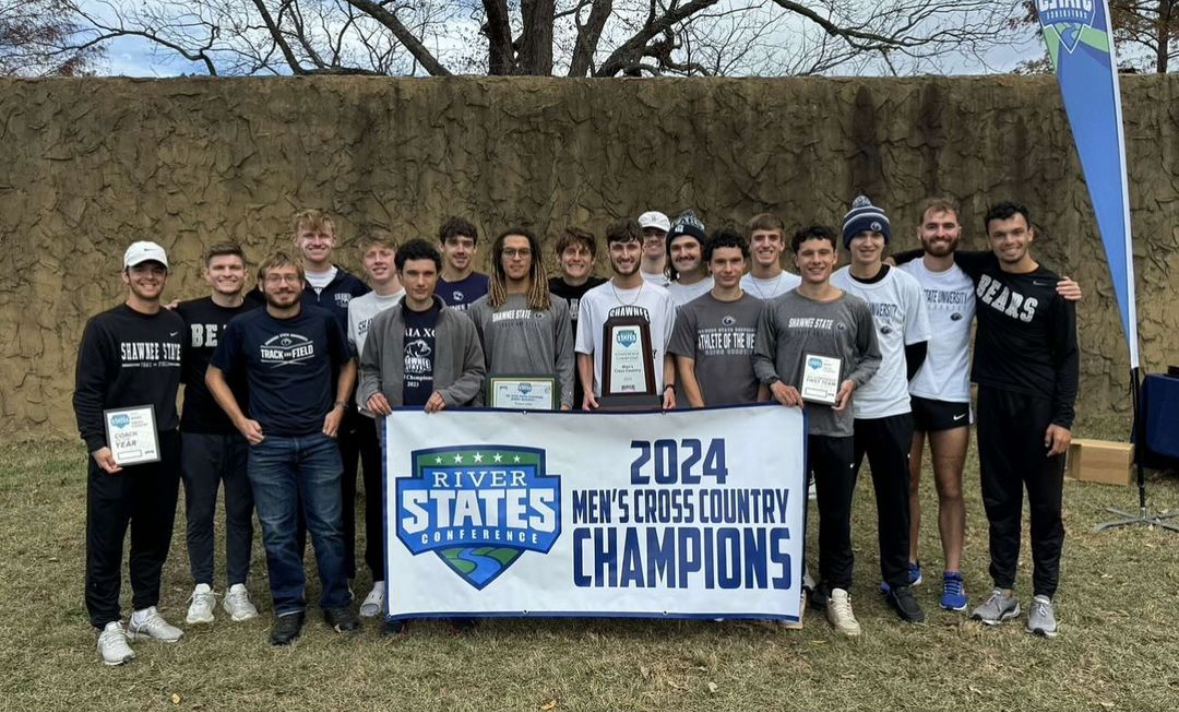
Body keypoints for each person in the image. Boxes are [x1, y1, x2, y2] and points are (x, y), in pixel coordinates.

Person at [899, 202, 1078, 637]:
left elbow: (1068, 357)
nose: (1009, 241)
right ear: (989, 239)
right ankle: (1004, 591)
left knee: (1045, 506)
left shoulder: (1055, 290)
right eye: (1000, 235)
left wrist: (1062, 418)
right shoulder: (982, 267)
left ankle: (1043, 596)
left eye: (1016, 233)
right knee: (999, 501)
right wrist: (889, 257)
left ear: (1030, 233)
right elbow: (930, 250)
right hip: (994, 401)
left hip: (1038, 409)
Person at [206, 252, 359, 646]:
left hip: (320, 441)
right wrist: (240, 420)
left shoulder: (323, 321)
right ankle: (289, 606)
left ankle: (336, 601)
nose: (284, 285)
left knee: (328, 528)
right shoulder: (244, 326)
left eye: (290, 278)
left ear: (302, 285)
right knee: (277, 531)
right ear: (261, 286)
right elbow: (213, 374)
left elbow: (348, 363)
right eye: (274, 279)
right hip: (268, 444)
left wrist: (340, 407)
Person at [753, 225, 881, 636]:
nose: (816, 260)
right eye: (807, 253)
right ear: (796, 259)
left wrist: (851, 383)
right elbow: (761, 358)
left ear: (834, 258)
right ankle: (795, 585)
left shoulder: (855, 308)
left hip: (837, 428)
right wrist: (776, 384)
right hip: (789, 428)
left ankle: (838, 590)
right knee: (790, 513)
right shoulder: (777, 308)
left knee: (836, 513)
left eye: (823, 253)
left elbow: (870, 358)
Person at [356, 237, 487, 635]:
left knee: (449, 519)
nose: (420, 281)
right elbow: (368, 370)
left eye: (428, 273)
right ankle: (402, 604)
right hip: (398, 438)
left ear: (438, 276)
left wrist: (448, 395)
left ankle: (457, 602)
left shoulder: (460, 324)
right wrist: (372, 393)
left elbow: (476, 374)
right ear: (400, 275)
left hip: (445, 436)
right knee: (401, 518)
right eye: (412, 273)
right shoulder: (382, 324)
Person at [73, 241, 186, 665]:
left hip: (163, 443)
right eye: (140, 270)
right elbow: (86, 392)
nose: (149, 276)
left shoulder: (175, 325)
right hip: (116, 449)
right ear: (125, 275)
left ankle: (144, 610)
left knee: (154, 531)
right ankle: (106, 623)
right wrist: (96, 443)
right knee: (107, 534)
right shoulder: (104, 327)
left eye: (157, 270)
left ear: (165, 276)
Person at [829, 196, 930, 624]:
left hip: (891, 410)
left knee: (895, 499)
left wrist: (889, 388)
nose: (868, 242)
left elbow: (917, 347)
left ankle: (898, 581)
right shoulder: (833, 283)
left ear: (885, 241)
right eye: (859, 235)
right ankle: (836, 583)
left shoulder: (905, 285)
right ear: (848, 242)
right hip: (841, 413)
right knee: (837, 501)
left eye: (875, 235)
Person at [175, 243, 259, 626]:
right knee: (200, 511)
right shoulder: (186, 314)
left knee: (241, 511)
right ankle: (204, 587)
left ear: (245, 273)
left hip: (247, 430)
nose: (228, 273)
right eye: (220, 268)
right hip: (198, 430)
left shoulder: (259, 312)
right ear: (206, 273)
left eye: (235, 267)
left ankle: (237, 587)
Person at [345, 229, 404, 618]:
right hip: (372, 417)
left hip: (414, 417)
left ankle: (411, 574)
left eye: (385, 253)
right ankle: (380, 579)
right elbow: (359, 362)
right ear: (363, 263)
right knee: (377, 498)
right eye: (371, 255)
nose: (379, 261)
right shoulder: (357, 307)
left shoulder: (416, 298)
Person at [576, 219, 677, 410]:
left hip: (653, 401)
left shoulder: (663, 298)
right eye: (617, 248)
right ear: (608, 252)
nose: (625, 255)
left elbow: (668, 351)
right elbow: (584, 351)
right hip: (604, 402)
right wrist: (588, 391)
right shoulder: (591, 299)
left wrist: (670, 387)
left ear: (643, 249)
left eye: (631, 247)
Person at [468, 228, 575, 410]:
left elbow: (565, 360)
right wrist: (478, 408)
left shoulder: (556, 305)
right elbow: (475, 367)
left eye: (524, 252)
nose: (516, 258)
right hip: (496, 412)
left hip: (545, 411)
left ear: (533, 258)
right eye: (509, 252)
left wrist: (565, 403)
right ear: (499, 258)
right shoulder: (479, 309)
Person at [668, 228, 765, 407]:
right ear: (709, 266)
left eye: (735, 261)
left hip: (750, 416)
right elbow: (685, 368)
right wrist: (702, 413)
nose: (728, 269)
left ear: (745, 264)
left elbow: (766, 365)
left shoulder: (762, 310)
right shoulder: (690, 312)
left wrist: (758, 412)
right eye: (720, 262)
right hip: (706, 419)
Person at [548, 226, 606, 410]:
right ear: (559, 257)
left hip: (595, 381)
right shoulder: (544, 291)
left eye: (584, 253)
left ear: (593, 259)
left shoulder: (604, 291)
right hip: (556, 378)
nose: (576, 258)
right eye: (570, 252)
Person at [740, 213, 801, 300]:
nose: (766, 245)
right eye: (759, 238)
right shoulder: (737, 287)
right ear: (749, 245)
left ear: (782, 245)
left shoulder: (798, 285)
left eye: (773, 238)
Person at [435, 216, 490, 310]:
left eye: (467, 244)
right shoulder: (431, 289)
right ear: (441, 246)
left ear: (475, 248)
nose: (461, 250)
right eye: (453, 243)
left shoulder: (489, 286)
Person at [665, 214, 714, 308]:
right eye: (676, 248)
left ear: (703, 249)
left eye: (690, 246)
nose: (683, 254)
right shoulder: (664, 296)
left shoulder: (720, 287)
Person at [637, 210, 671, 286]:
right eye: (647, 234)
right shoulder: (628, 278)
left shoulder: (679, 278)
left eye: (660, 234)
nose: (653, 239)